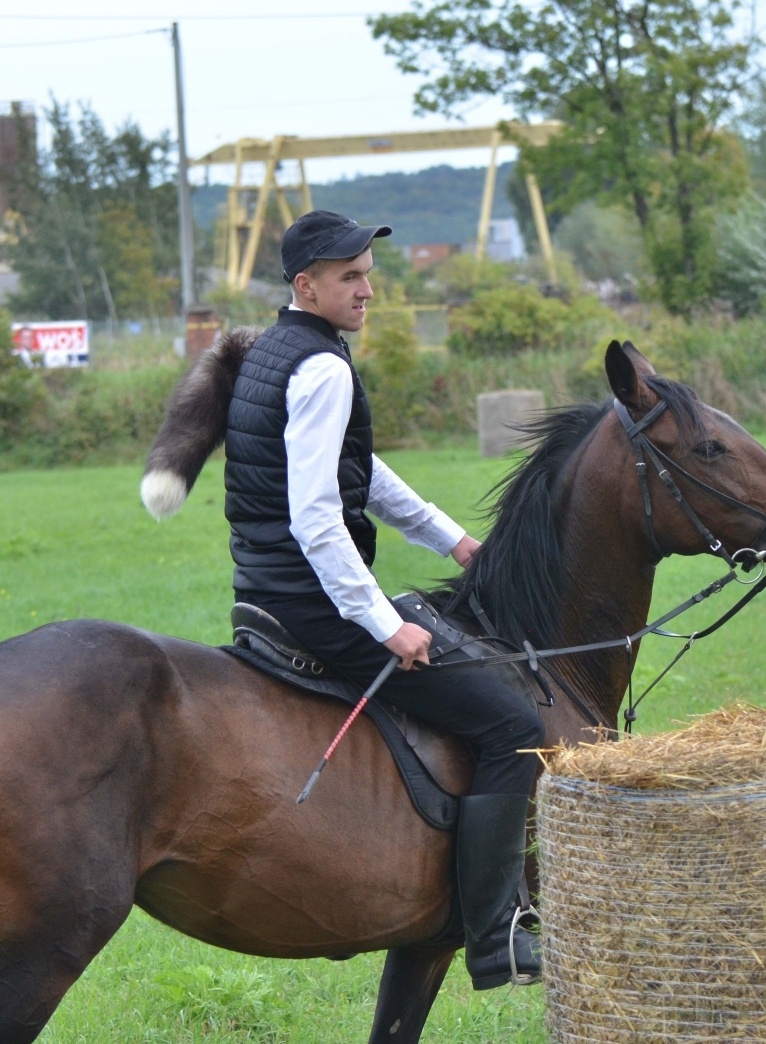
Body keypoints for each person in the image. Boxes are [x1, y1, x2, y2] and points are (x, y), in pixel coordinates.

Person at [224, 210, 543, 990]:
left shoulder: (279, 349)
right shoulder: (323, 367)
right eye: (350, 278)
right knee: (516, 725)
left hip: (265, 589)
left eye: (368, 273)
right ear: (307, 285)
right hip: (314, 605)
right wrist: (385, 623)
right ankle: (495, 931)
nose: (369, 290)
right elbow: (316, 516)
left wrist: (451, 540)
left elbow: (357, 470)